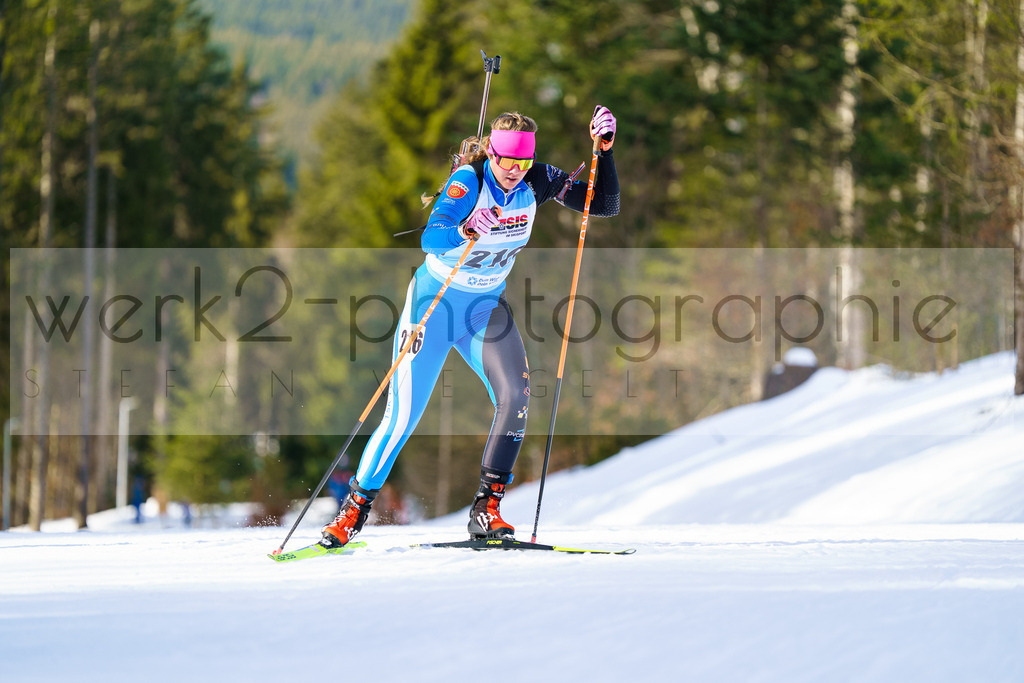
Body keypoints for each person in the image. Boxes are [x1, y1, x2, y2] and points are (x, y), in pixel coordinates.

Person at [320, 106, 620, 548]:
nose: (515, 171)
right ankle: (352, 512)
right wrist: (464, 227)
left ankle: (487, 509)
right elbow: (431, 236)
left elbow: (604, 203)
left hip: (484, 307)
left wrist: (604, 152)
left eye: (523, 162)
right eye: (506, 161)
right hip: (435, 305)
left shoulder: (538, 179)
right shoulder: (469, 181)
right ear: (491, 154)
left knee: (517, 394)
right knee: (402, 417)